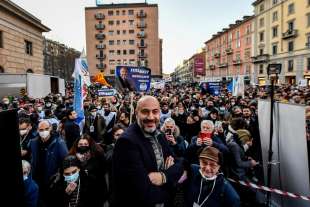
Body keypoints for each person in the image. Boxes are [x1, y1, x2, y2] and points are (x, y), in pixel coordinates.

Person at [112, 95, 184, 207]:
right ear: (136, 113)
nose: (151, 117)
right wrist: (171, 184)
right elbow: (142, 191)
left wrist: (163, 177)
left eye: (155, 112)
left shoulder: (159, 135)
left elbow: (180, 163)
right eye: (145, 112)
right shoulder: (127, 142)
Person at [28, 120, 68, 207]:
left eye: (46, 129)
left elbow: (66, 161)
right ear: (38, 130)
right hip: (37, 179)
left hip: (52, 181)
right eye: (41, 130)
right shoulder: (33, 142)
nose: (43, 132)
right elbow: (32, 159)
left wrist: (60, 176)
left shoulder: (59, 143)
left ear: (50, 128)